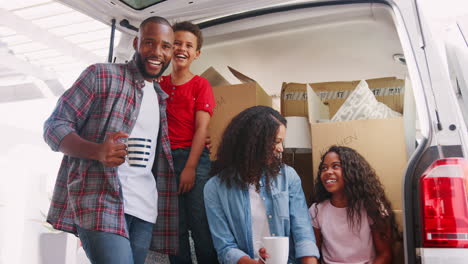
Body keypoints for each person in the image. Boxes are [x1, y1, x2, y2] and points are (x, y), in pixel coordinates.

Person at [43, 16, 178, 264]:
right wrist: (96, 151)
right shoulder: (102, 74)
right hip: (100, 199)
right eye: (149, 43)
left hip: (145, 207)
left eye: (165, 46)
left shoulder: (160, 97)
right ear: (136, 43)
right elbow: (54, 126)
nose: (157, 52)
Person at [204, 105, 320, 264]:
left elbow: (303, 234)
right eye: (276, 141)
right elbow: (225, 247)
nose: (281, 149)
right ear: (253, 142)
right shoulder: (214, 188)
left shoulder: (288, 177)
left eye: (282, 142)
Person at [159, 21, 218, 264]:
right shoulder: (158, 84)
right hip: (164, 160)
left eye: (188, 45)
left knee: (200, 223)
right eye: (177, 43)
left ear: (196, 54)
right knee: (174, 228)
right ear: (169, 47)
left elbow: (201, 129)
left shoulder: (200, 85)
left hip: (192, 158)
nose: (182, 48)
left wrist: (191, 168)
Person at [309, 145, 399, 264]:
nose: (328, 172)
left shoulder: (372, 207)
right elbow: (313, 254)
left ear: (352, 171)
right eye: (324, 168)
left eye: (335, 166)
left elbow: (385, 254)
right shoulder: (317, 210)